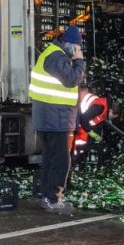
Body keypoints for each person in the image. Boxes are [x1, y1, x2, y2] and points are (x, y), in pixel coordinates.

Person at [29, 26, 86, 214]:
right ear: (70, 44)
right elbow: (72, 80)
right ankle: (53, 199)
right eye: (77, 47)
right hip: (56, 117)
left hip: (50, 117)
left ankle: (45, 195)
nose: (78, 51)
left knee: (51, 157)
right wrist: (80, 62)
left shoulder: (52, 54)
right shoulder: (57, 57)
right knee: (60, 160)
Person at [71, 89, 109, 154]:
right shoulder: (100, 107)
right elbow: (84, 119)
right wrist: (92, 133)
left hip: (78, 129)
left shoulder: (99, 103)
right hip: (78, 130)